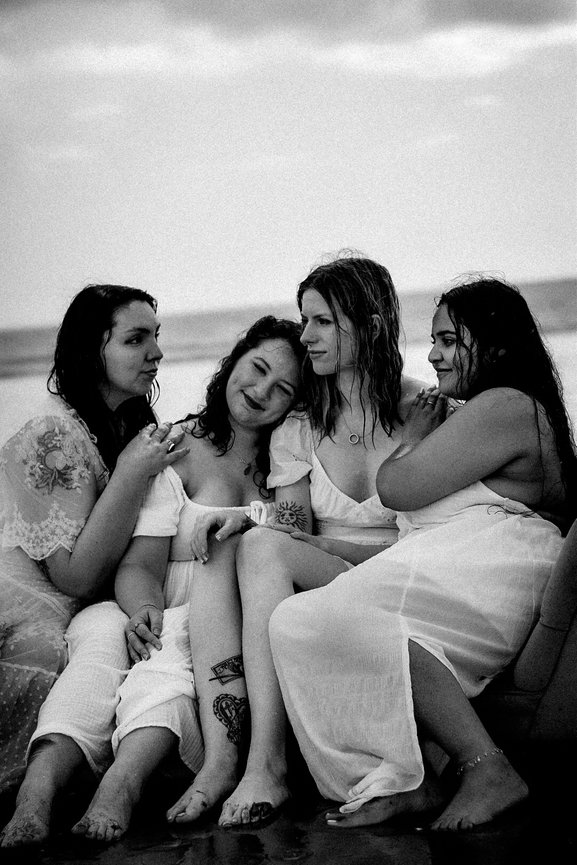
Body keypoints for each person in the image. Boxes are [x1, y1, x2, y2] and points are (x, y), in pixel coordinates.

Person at [269, 276, 577, 832]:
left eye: (450, 341)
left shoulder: (505, 405)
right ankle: (406, 777)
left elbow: (398, 488)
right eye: (434, 340)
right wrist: (326, 545)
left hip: (496, 567)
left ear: (498, 347)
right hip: (459, 563)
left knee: (330, 617)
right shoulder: (483, 409)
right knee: (294, 622)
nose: (433, 355)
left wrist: (412, 435)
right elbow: (419, 526)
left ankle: (487, 767)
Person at [1, 316, 304, 847]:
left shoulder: (289, 460)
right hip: (147, 597)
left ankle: (119, 786)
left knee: (165, 667)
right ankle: (35, 795)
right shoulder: (177, 445)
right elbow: (139, 564)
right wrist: (144, 610)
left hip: (221, 610)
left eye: (282, 389)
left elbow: (298, 532)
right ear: (235, 359)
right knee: (96, 645)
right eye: (257, 368)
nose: (261, 391)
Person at [167, 253, 424, 828]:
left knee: (260, 545)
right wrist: (248, 519)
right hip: (334, 576)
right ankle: (251, 762)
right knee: (245, 544)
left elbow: (435, 532)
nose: (305, 336)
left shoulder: (423, 412)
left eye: (322, 322)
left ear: (371, 327)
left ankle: (264, 764)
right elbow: (294, 528)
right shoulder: (300, 427)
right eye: (305, 320)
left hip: (408, 574)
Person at [0, 284, 186, 801]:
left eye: (156, 336)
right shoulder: (51, 434)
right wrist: (130, 473)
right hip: (28, 602)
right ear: (91, 349)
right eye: (135, 339)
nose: (156, 352)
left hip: (88, 602)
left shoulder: (115, 422)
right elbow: (75, 576)